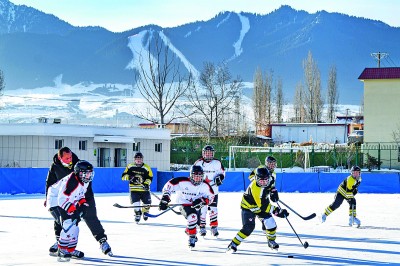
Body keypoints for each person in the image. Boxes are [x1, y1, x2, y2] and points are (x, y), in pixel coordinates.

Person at [45, 147, 112, 258]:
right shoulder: (55, 167)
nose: (70, 160)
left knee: (90, 217)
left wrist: (82, 200)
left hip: (82, 196)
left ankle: (102, 241)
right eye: (67, 158)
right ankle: (61, 244)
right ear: (59, 157)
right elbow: (50, 183)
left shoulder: (79, 165)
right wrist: (46, 197)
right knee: (62, 220)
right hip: (62, 197)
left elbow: (85, 183)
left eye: (70, 157)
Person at [226, 167, 289, 253]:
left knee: (271, 223)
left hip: (260, 204)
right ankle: (233, 244)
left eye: (265, 180)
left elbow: (271, 186)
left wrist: (273, 192)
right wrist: (278, 211)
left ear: (269, 177)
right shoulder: (255, 189)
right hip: (249, 207)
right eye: (261, 180)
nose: (263, 182)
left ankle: (271, 241)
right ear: (256, 179)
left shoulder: (270, 180)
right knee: (248, 228)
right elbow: (264, 207)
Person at [46, 160, 94, 261]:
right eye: (87, 173)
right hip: (55, 200)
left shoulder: (84, 181)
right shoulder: (71, 182)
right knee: (68, 223)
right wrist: (73, 211)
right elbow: (61, 199)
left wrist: (83, 204)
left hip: (67, 200)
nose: (89, 176)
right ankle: (62, 249)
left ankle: (70, 249)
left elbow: (80, 194)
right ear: (79, 173)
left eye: (90, 173)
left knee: (75, 226)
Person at [159, 165, 215, 249]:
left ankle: (189, 230)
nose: (197, 178)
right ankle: (192, 238)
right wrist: (165, 198)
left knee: (196, 221)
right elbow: (169, 185)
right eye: (195, 175)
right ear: (191, 175)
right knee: (193, 217)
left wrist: (203, 201)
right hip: (183, 204)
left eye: (200, 176)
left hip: (196, 206)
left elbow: (211, 197)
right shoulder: (182, 181)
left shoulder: (205, 186)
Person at [193, 145, 225, 237]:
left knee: (213, 209)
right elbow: (192, 174)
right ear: (203, 154)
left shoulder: (217, 163)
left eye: (210, 153)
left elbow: (223, 173)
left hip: (213, 190)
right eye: (206, 153)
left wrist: (221, 178)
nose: (208, 155)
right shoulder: (198, 163)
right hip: (201, 191)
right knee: (202, 209)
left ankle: (214, 227)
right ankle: (202, 227)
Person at [121, 152, 153, 224]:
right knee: (136, 204)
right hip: (134, 189)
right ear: (134, 159)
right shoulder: (130, 166)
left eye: (140, 158)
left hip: (144, 189)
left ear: (142, 159)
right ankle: (138, 214)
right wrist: (130, 177)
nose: (138, 160)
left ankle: (145, 212)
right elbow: (123, 177)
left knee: (147, 203)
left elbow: (150, 177)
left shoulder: (146, 167)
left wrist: (146, 184)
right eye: (137, 158)